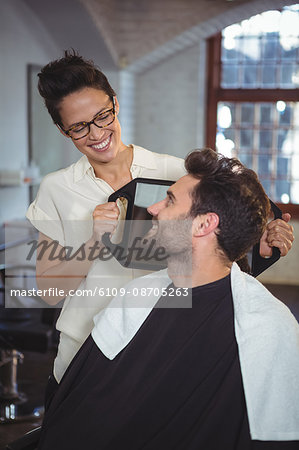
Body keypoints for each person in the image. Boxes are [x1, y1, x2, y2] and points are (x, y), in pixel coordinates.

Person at [26, 50, 294, 386]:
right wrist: (93, 244)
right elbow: (49, 291)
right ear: (63, 131)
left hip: (161, 352)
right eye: (79, 127)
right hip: (84, 351)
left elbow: (218, 249)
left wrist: (261, 246)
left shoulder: (175, 172)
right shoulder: (56, 189)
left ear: (115, 104)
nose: (96, 134)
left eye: (103, 116)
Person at [37, 149, 299, 450]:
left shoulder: (268, 327)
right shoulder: (135, 300)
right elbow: (77, 415)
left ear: (204, 225)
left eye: (170, 200)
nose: (153, 208)